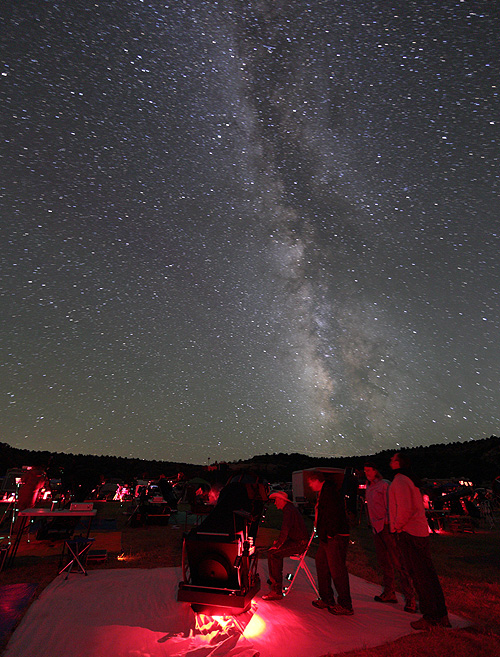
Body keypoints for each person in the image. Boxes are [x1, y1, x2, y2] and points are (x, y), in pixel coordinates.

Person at [388, 452, 451, 630]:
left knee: (420, 577)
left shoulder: (400, 480)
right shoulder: (410, 480)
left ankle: (431, 617)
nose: (390, 461)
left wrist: (397, 527)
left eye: (392, 459)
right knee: (428, 575)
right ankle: (441, 615)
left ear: (398, 463)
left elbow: (405, 509)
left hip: (410, 533)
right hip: (419, 532)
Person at [363, 462, 416, 612]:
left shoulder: (384, 485)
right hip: (376, 528)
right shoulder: (369, 487)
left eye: (368, 470)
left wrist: (390, 523)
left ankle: (410, 598)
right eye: (365, 471)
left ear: (375, 471)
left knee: (398, 562)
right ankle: (389, 592)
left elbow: (391, 505)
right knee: (384, 562)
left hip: (387, 527)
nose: (366, 473)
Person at [309, 471, 353, 615]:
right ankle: (327, 598)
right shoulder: (324, 491)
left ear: (316, 480)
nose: (309, 485)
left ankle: (346, 605)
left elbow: (332, 513)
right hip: (327, 536)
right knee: (321, 563)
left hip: (334, 536)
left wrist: (330, 534)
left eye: (310, 482)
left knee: (337, 570)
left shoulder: (330, 491)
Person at [262, 491, 309, 601]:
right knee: (273, 552)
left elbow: (285, 529)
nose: (275, 503)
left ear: (282, 500)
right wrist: (278, 543)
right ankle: (275, 580)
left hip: (299, 543)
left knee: (273, 554)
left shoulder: (289, 510)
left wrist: (278, 544)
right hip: (297, 541)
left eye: (276, 500)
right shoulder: (290, 509)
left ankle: (276, 589)